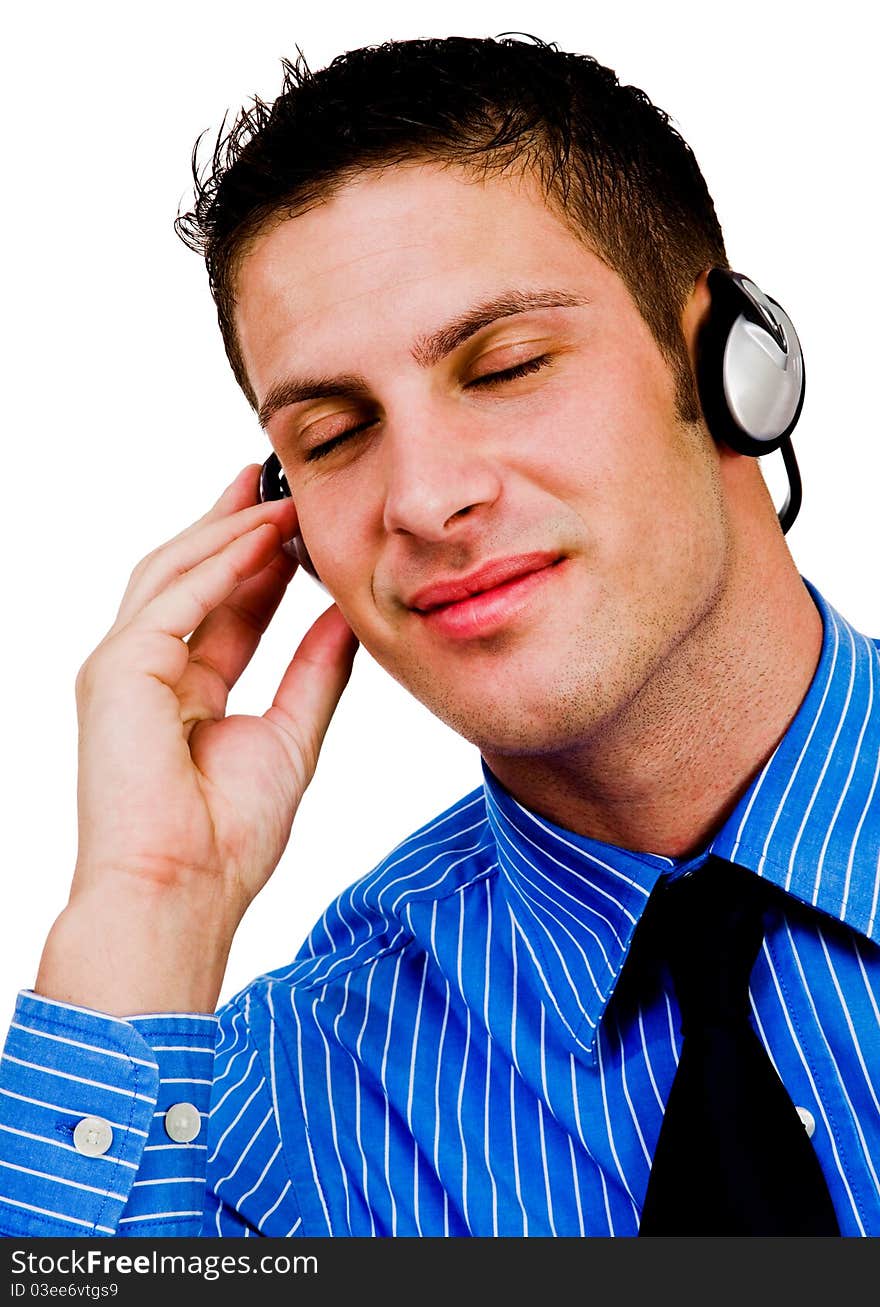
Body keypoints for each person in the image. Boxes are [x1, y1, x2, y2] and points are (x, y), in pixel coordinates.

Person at [0, 33, 877, 1240]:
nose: (421, 497)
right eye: (333, 431)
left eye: (505, 364)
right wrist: (147, 904)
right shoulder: (274, 1110)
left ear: (736, 368)